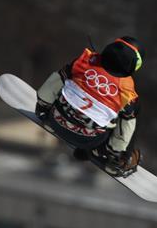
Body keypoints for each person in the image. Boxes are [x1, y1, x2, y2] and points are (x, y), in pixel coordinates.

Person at [35, 36, 144, 176]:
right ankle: (115, 158)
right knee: (128, 115)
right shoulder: (127, 92)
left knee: (66, 81)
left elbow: (56, 80)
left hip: (55, 121)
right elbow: (126, 127)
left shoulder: (85, 62)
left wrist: (42, 108)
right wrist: (116, 152)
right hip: (90, 140)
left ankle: (54, 120)